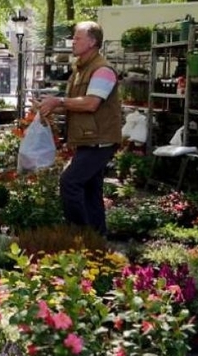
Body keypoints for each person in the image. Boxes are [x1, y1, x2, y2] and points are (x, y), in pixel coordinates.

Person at [38, 21, 121, 235]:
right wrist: (47, 108)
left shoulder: (102, 70)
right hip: (88, 140)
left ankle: (80, 234)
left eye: (77, 38)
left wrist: (58, 102)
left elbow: (91, 103)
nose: (72, 42)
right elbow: (76, 106)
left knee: (70, 182)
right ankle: (97, 239)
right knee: (91, 191)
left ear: (92, 42)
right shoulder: (79, 70)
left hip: (100, 141)